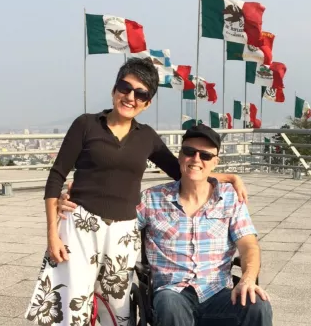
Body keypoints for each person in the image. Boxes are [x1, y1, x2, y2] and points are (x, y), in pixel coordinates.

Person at [25, 57, 248, 326]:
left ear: (148, 102)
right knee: (70, 304)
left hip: (123, 231)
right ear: (114, 89)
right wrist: (52, 233)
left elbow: (184, 169)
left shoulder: (147, 137)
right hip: (80, 224)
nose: (131, 97)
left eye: (141, 94)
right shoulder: (86, 125)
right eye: (125, 88)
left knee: (118, 309)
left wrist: (229, 177)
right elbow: (56, 176)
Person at [59, 124, 272, 326]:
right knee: (170, 305)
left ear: (215, 162)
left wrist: (248, 278)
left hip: (218, 293)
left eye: (205, 155)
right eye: (190, 151)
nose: (196, 158)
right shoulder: (152, 199)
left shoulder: (229, 198)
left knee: (258, 305)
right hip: (172, 293)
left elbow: (248, 245)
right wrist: (77, 201)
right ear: (180, 155)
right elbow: (113, 217)